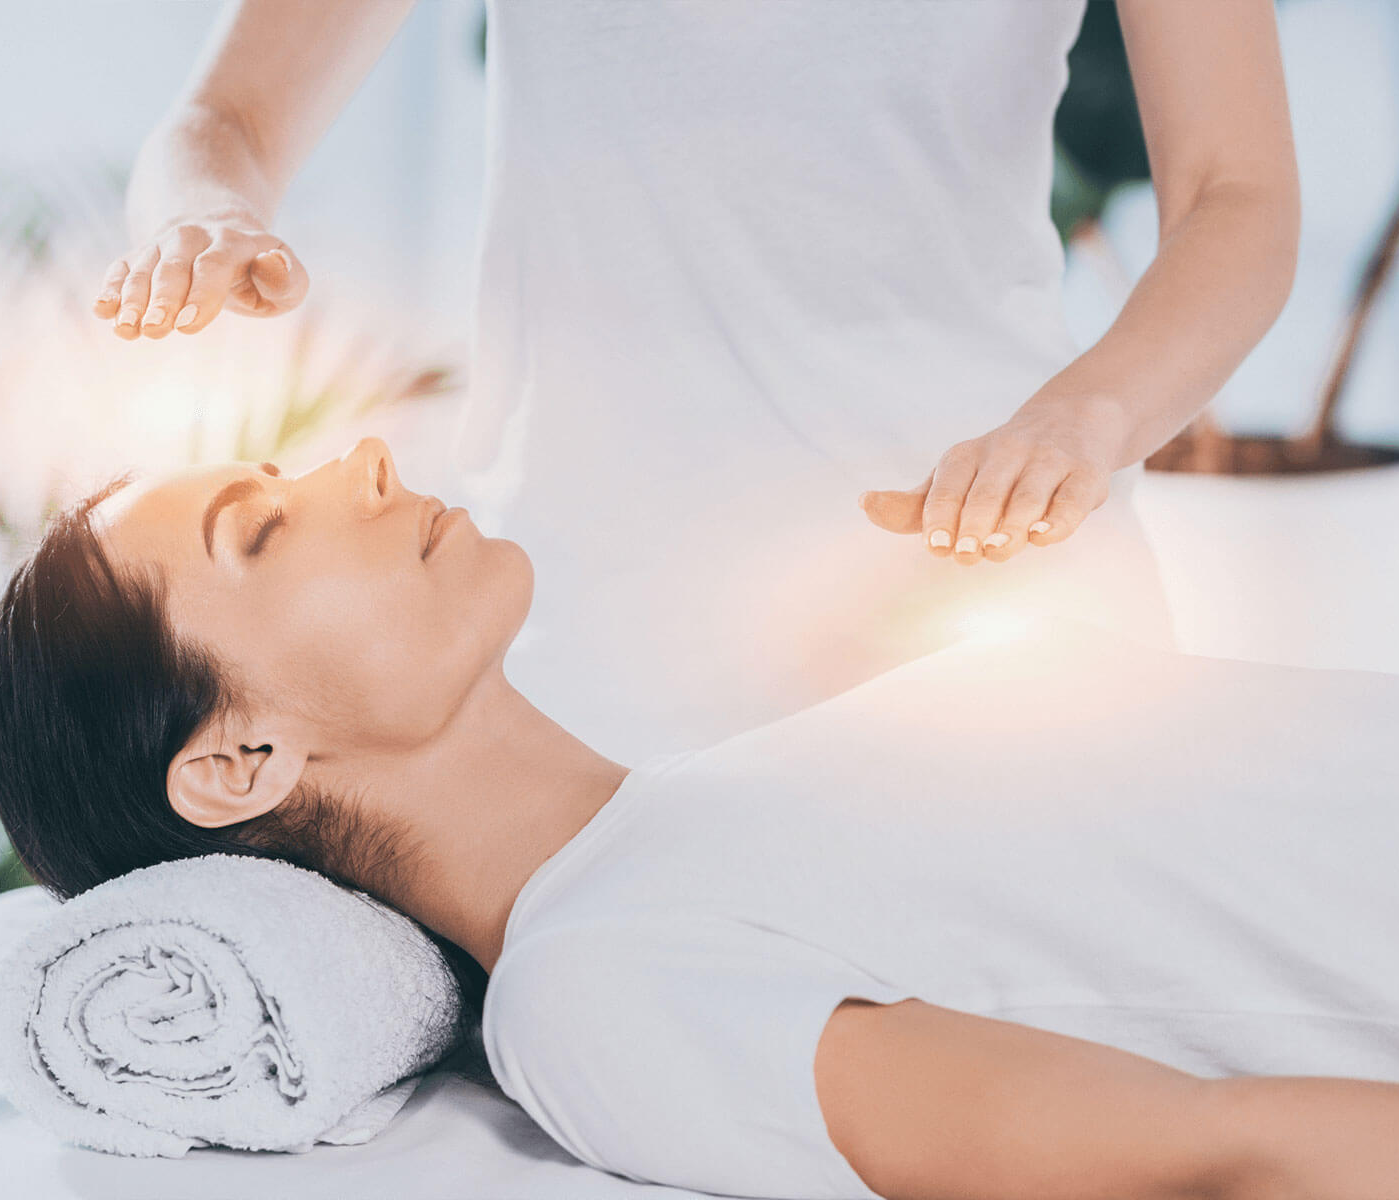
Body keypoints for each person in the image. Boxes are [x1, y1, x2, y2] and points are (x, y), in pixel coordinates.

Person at [0, 438, 1399, 1200]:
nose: (362, 458)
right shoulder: (597, 990)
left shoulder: (711, 800)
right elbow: (1206, 1157)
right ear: (239, 762)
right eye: (262, 526)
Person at [91, 0, 1301, 764]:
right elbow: (226, 118)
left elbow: (1236, 196)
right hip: (590, 651)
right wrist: (203, 211)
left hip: (994, 609)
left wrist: (1085, 421)